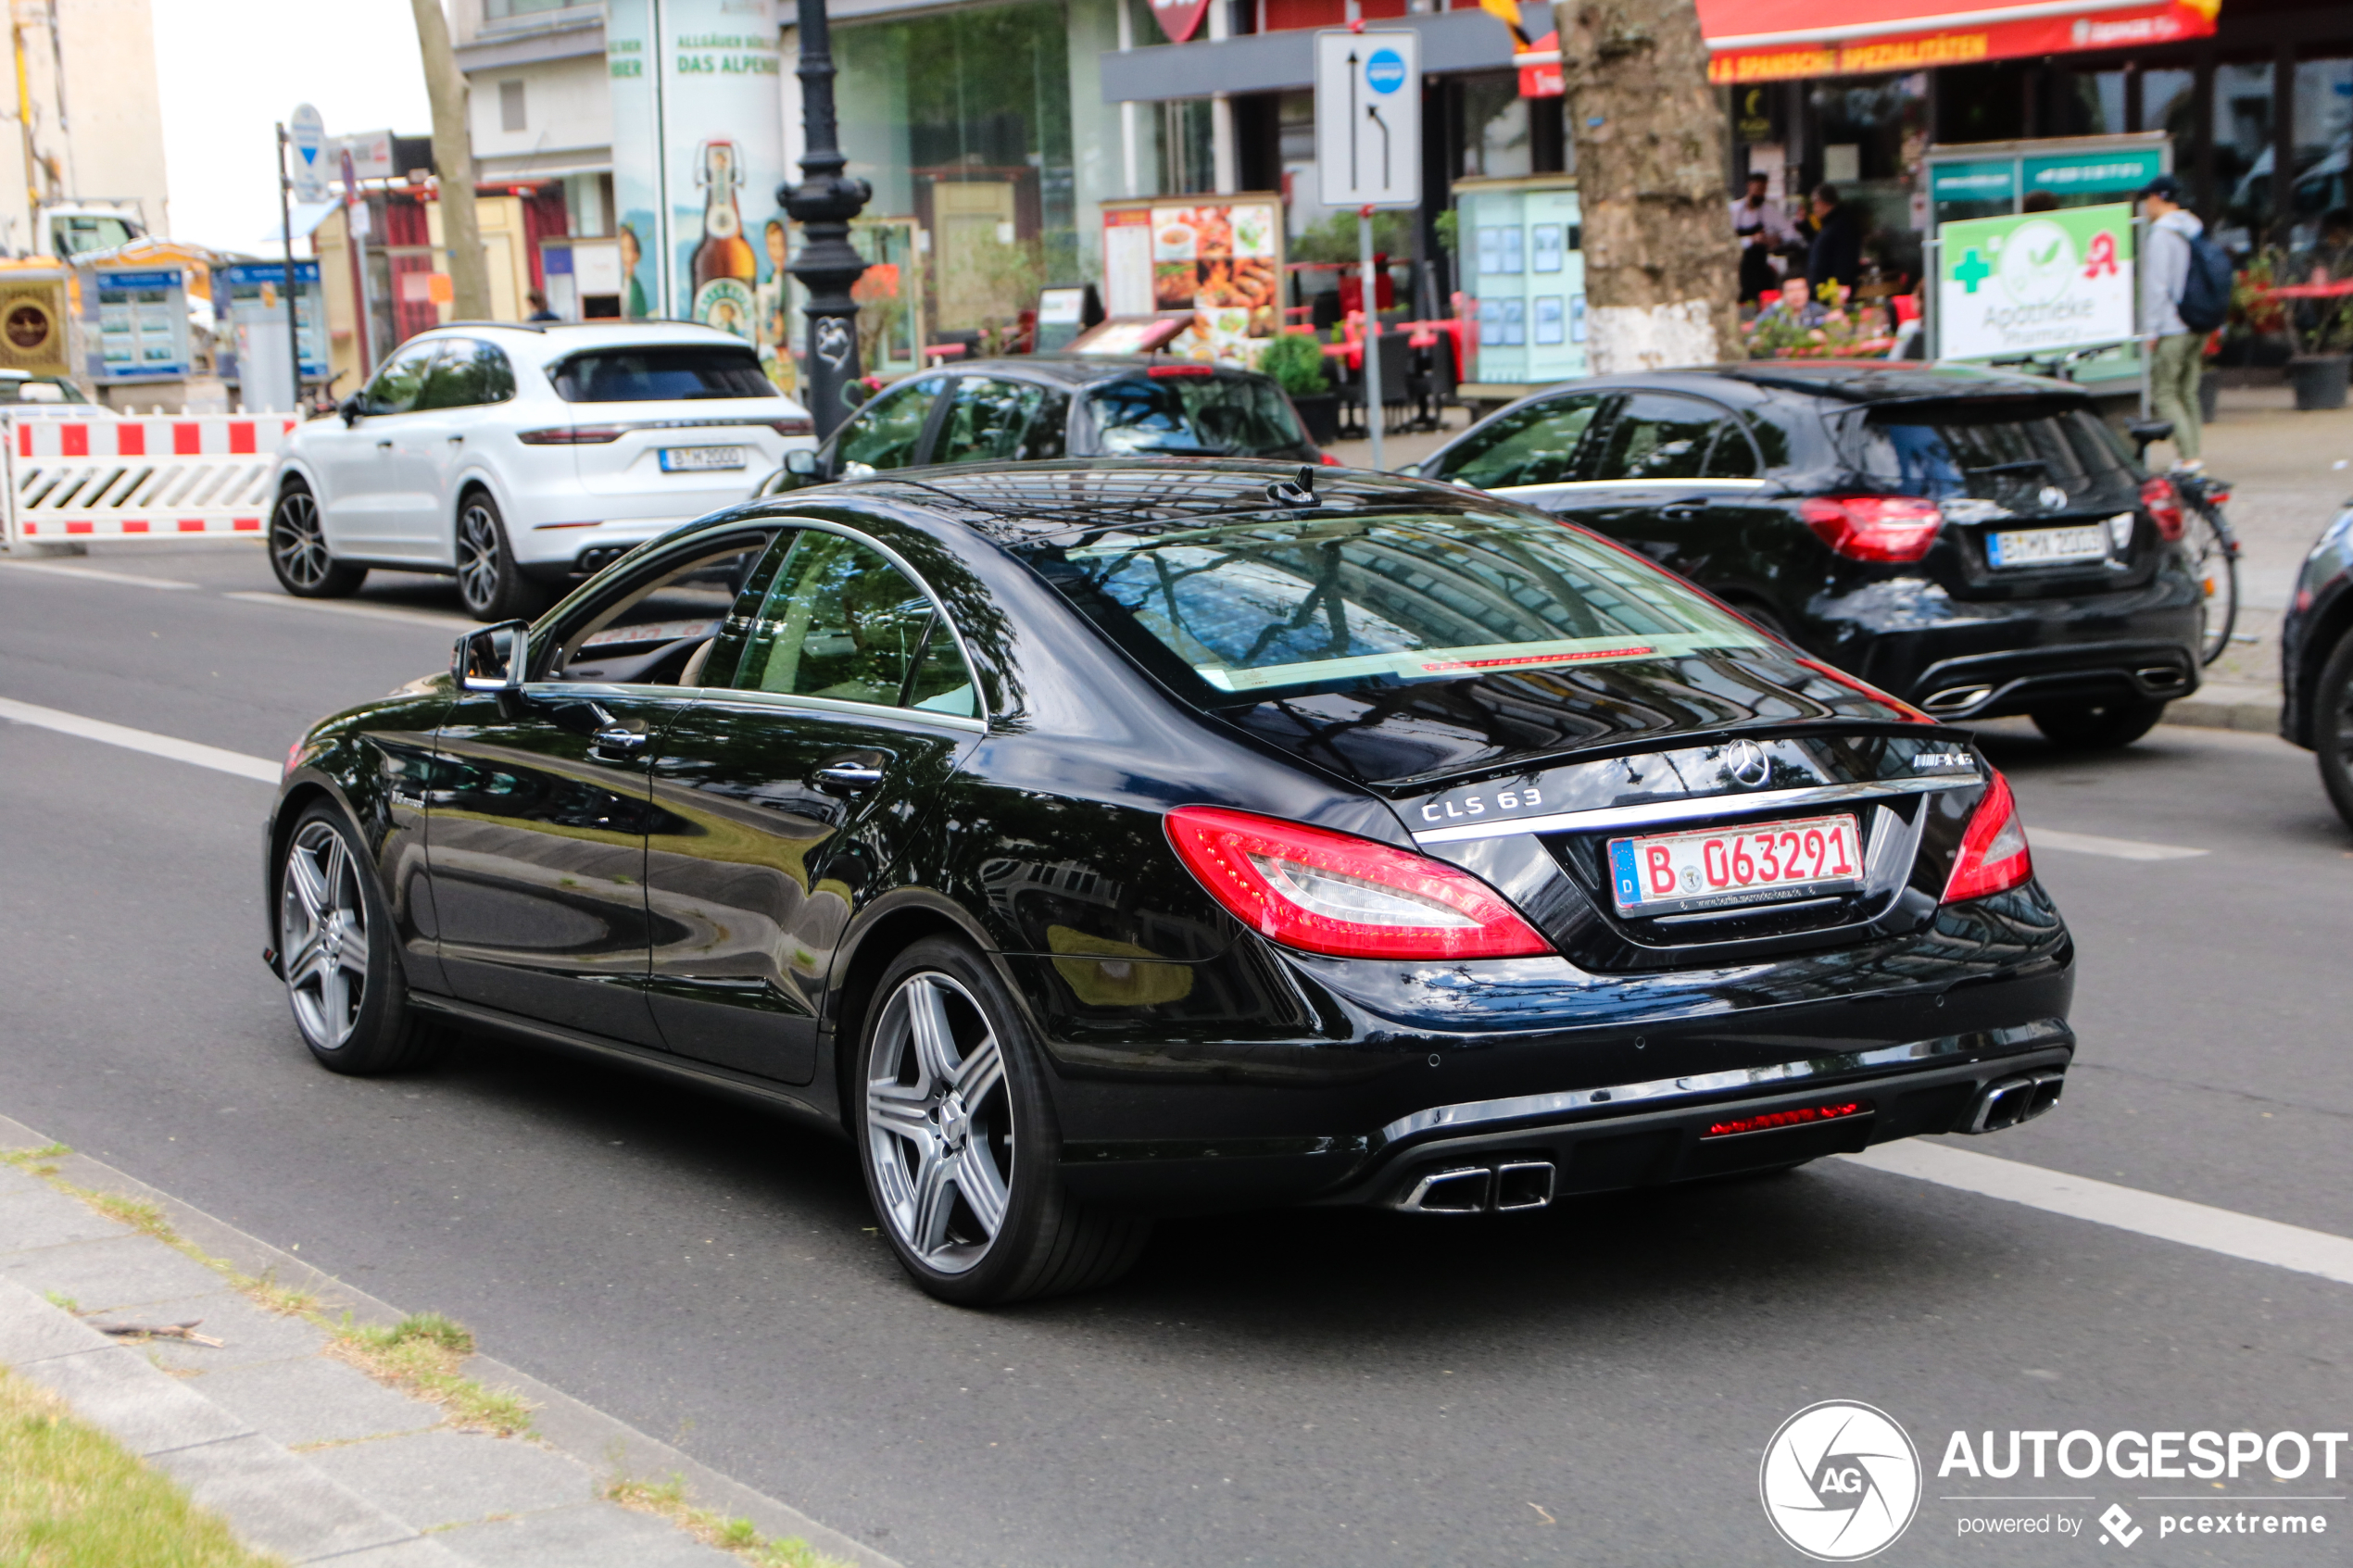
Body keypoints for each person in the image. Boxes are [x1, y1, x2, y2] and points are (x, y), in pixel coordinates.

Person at [2138, 174, 2207, 470]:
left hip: (2171, 325)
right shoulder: (2193, 228)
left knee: (2165, 393)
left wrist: (2151, 329)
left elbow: (2156, 285)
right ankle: (2193, 453)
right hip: (2198, 322)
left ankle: (2189, 458)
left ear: (2156, 199)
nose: (2144, 207)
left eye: (2146, 200)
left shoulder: (2161, 235)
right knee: (2188, 392)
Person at [1730, 171, 1800, 304]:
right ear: (1749, 186)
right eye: (1758, 189)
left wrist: (1775, 239)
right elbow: (1727, 241)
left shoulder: (1769, 211)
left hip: (1759, 268)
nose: (1761, 194)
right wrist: (1751, 240)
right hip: (1738, 268)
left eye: (1764, 190)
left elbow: (1790, 232)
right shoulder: (1733, 210)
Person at [1806, 183, 1864, 295]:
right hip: (1825, 289)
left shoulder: (1842, 226)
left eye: (1814, 203)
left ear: (1822, 203)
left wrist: (1839, 287)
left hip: (1832, 292)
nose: (1814, 208)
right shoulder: (1830, 225)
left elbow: (1845, 260)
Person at [620, 224, 649, 320]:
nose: (624, 256)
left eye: (629, 249)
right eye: (622, 249)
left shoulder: (636, 287)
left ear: (636, 255)